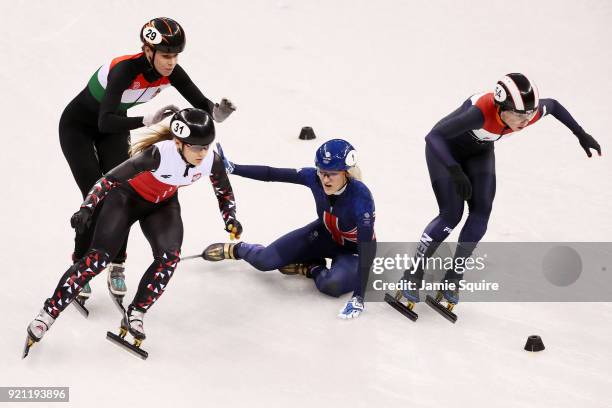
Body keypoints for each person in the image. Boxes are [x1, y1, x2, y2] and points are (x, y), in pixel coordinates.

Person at [26, 108, 242, 349]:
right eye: (195, 147)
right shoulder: (158, 154)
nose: (202, 153)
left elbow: (224, 191)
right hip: (126, 199)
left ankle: (136, 313)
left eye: (206, 146)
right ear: (179, 143)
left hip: (162, 205)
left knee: (169, 258)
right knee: (98, 259)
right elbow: (109, 179)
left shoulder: (210, 160)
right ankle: (47, 314)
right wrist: (88, 207)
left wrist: (230, 218)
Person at [59, 17, 236, 302]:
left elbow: (201, 103)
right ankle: (80, 262)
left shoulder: (171, 71)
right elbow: (104, 121)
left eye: (176, 55)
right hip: (78, 129)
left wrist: (217, 114)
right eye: (166, 55)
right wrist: (146, 119)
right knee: (96, 196)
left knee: (122, 192)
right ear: (148, 50)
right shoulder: (125, 70)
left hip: (114, 129)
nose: (171, 62)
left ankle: (117, 263)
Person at [395, 73, 601, 310]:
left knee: (482, 211)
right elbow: (433, 137)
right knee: (451, 214)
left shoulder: (526, 112)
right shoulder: (479, 113)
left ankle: (453, 277)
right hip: (445, 151)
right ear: (501, 108)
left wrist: (580, 133)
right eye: (519, 114)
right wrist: (454, 169)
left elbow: (553, 105)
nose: (525, 121)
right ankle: (412, 274)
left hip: (479, 151)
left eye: (529, 113)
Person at [203, 139, 376, 319]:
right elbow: (272, 173)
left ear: (346, 173)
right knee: (265, 261)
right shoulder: (314, 178)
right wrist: (233, 168)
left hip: (353, 253)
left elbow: (368, 250)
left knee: (331, 286)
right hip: (324, 236)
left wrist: (359, 297)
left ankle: (312, 267)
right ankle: (238, 249)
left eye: (331, 174)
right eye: (322, 172)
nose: (324, 179)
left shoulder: (361, 197)